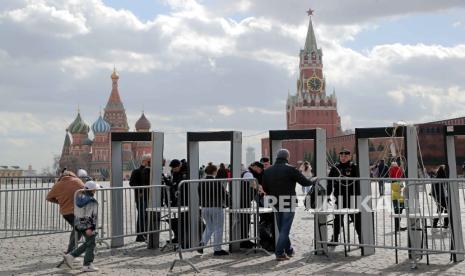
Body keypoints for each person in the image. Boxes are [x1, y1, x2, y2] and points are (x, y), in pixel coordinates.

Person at [262, 149, 314, 260]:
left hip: (274, 201)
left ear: (277, 157)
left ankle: (289, 249)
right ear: (287, 157)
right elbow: (305, 182)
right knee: (285, 228)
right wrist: (313, 180)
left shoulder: (267, 171)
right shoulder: (290, 169)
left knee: (281, 228)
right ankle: (280, 252)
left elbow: (265, 188)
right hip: (288, 201)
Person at [327, 149, 362, 246]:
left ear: (349, 157)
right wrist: (327, 195)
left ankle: (361, 239)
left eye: (345, 156)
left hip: (353, 197)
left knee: (356, 220)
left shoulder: (354, 167)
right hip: (340, 197)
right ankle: (335, 239)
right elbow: (330, 182)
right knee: (337, 219)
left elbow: (360, 182)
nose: (343, 158)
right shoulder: (335, 167)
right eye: (341, 156)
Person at [63, 181, 100, 272]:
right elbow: (92, 216)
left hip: (78, 224)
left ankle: (72, 257)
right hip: (87, 225)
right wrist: (90, 228)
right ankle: (85, 263)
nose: (96, 191)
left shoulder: (78, 197)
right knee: (91, 242)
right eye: (95, 189)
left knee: (90, 242)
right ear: (93, 190)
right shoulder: (92, 201)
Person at [46, 170, 85, 254]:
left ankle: (71, 250)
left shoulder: (58, 184)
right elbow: (86, 192)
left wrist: (59, 202)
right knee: (79, 229)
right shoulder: (77, 181)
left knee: (77, 229)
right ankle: (71, 251)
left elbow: (48, 197)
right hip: (77, 210)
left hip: (65, 212)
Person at [197, 164, 229, 256]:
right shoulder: (217, 182)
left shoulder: (201, 182)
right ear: (214, 171)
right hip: (216, 206)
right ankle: (217, 249)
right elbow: (223, 194)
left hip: (204, 207)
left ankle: (202, 243)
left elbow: (199, 193)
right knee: (218, 228)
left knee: (209, 227)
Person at [240, 161, 265, 249]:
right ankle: (243, 241)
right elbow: (253, 184)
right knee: (244, 220)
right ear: (255, 167)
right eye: (259, 169)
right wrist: (261, 190)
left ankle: (245, 239)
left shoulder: (248, 173)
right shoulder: (248, 174)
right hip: (243, 200)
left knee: (245, 220)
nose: (260, 171)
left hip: (245, 200)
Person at [129, 154, 151, 242]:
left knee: (146, 216)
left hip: (149, 197)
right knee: (142, 216)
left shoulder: (150, 171)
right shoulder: (136, 171)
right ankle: (140, 235)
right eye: (149, 161)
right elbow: (132, 183)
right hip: (141, 197)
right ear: (145, 161)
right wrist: (140, 191)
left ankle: (146, 233)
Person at [389, 161, 405, 232]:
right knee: (399, 212)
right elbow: (402, 176)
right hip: (400, 197)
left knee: (396, 213)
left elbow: (390, 175)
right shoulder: (399, 170)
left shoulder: (391, 170)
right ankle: (398, 226)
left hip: (394, 197)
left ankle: (397, 226)